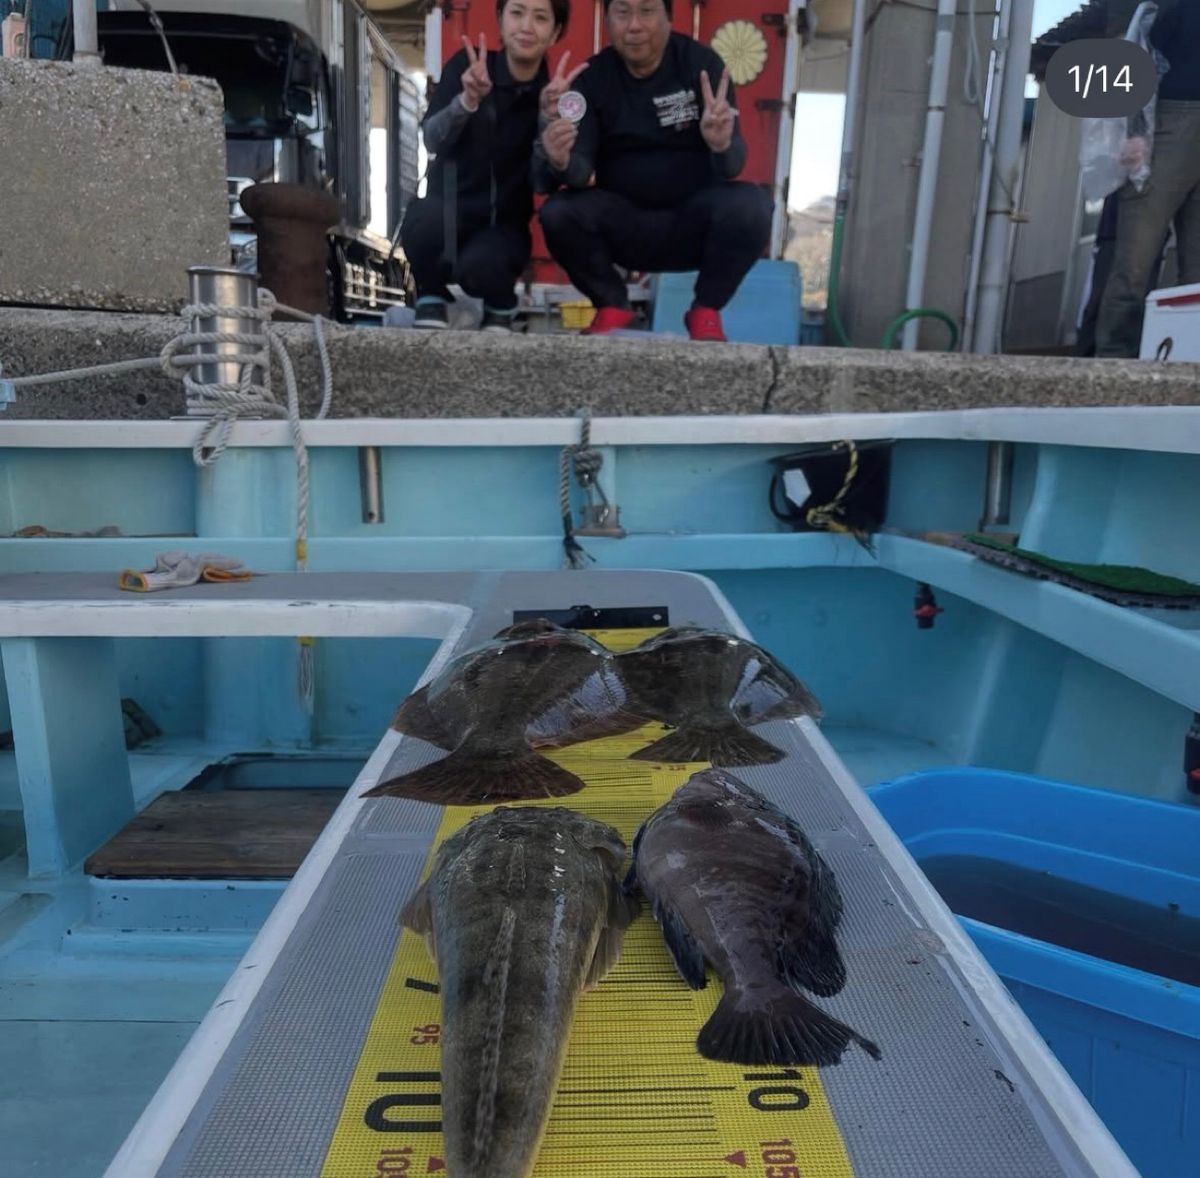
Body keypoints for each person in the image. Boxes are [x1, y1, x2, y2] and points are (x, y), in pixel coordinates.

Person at [535, 0, 771, 341]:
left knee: (753, 206)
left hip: (692, 224)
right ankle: (612, 304)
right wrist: (560, 161)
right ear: (608, 20)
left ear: (669, 18)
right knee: (558, 213)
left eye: (646, 11)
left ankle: (706, 309)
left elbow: (732, 165)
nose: (634, 25)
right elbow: (580, 171)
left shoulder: (702, 65)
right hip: (624, 225)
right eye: (623, 12)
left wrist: (720, 143)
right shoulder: (593, 78)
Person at [399, 0, 577, 332]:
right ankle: (431, 294)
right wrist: (466, 102)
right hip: (446, 219)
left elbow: (543, 183)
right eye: (517, 12)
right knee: (423, 221)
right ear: (500, 18)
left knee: (483, 267)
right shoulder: (466, 69)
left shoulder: (553, 96)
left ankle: (501, 303)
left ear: (555, 32)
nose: (526, 26)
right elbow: (432, 141)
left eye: (540, 18)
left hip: (501, 231)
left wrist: (545, 121)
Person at [1095, 0, 1200, 357]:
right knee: (1135, 261)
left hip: (1176, 119)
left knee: (1198, 275)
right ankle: (1114, 362)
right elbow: (1131, 47)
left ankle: (1189, 363)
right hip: (1168, 121)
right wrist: (1135, 128)